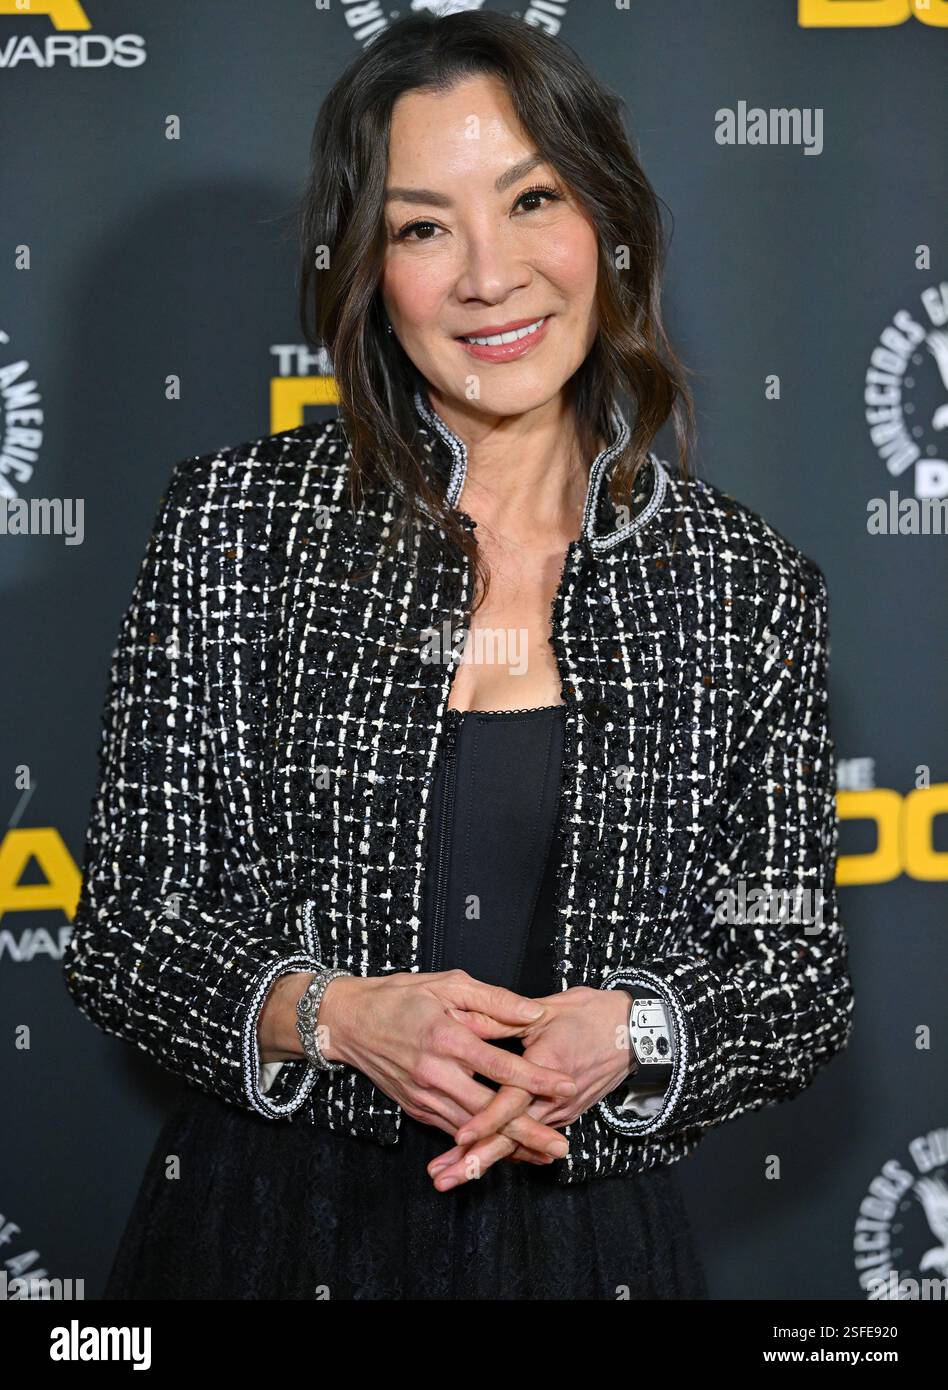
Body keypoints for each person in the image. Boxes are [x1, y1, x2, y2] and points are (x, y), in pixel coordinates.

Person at [62, 11, 854, 1300]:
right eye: (424, 226)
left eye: (531, 199)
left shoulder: (744, 584)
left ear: (609, 225)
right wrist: (335, 1017)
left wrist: (635, 1031)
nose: (490, 276)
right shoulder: (232, 528)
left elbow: (794, 978)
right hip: (265, 1234)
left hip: (588, 1246)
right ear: (368, 268)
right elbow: (127, 935)